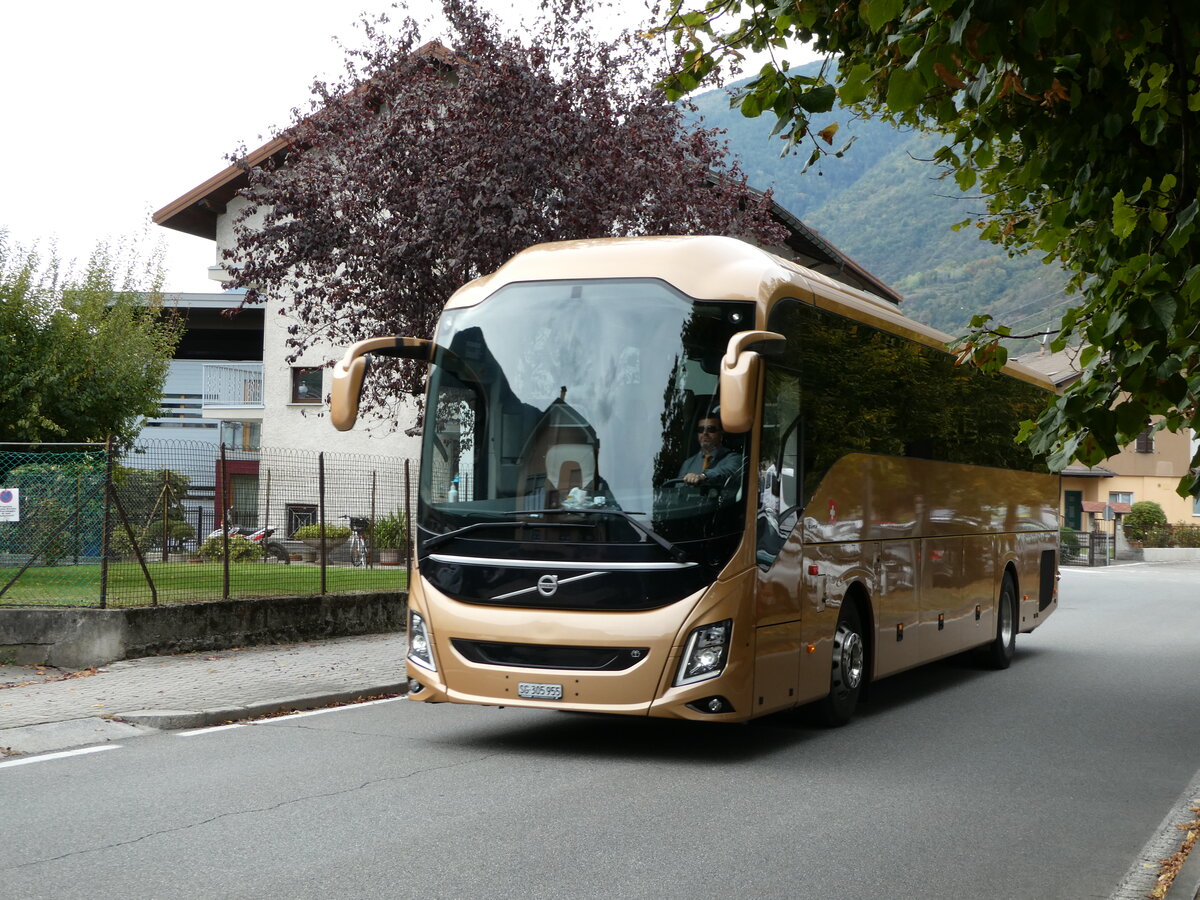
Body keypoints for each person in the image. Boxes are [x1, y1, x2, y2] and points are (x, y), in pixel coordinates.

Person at [678, 416, 741, 486]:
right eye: (701, 429)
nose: (705, 433)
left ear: (721, 432)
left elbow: (728, 472)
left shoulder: (734, 459)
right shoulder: (688, 463)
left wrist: (703, 476)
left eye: (711, 429)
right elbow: (678, 490)